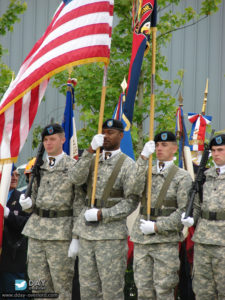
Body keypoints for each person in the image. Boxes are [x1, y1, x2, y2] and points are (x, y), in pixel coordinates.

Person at [68, 118, 139, 300]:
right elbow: (75, 178)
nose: (106, 136)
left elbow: (131, 201)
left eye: (111, 133)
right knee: (88, 290)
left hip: (111, 237)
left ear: (121, 136)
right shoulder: (92, 161)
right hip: (87, 235)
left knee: (111, 291)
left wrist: (103, 214)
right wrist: (90, 151)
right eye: (104, 133)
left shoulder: (128, 165)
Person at [19, 123, 84, 299]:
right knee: (37, 285)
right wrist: (27, 204)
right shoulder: (37, 166)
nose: (48, 143)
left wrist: (76, 237)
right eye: (46, 140)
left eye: (52, 139)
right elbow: (33, 197)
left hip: (61, 234)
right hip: (37, 232)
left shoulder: (74, 167)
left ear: (63, 140)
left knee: (61, 287)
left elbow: (78, 204)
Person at [130, 131, 192, 300]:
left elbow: (184, 211)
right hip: (142, 239)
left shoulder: (182, 177)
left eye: (164, 145)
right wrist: (142, 158)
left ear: (174, 149)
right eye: (157, 145)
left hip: (165, 241)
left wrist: (158, 226)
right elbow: (132, 189)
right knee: (143, 290)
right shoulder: (146, 172)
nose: (159, 148)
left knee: (164, 290)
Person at [181, 133, 225, 300]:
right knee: (202, 289)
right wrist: (192, 216)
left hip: (223, 242)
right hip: (203, 239)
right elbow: (198, 203)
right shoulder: (205, 176)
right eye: (213, 150)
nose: (216, 154)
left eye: (220, 150)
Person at [0, 166, 30, 296]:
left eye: (17, 175)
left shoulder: (23, 198)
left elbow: (27, 224)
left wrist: (8, 214)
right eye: (11, 175)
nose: (15, 178)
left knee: (16, 295)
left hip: (13, 259)